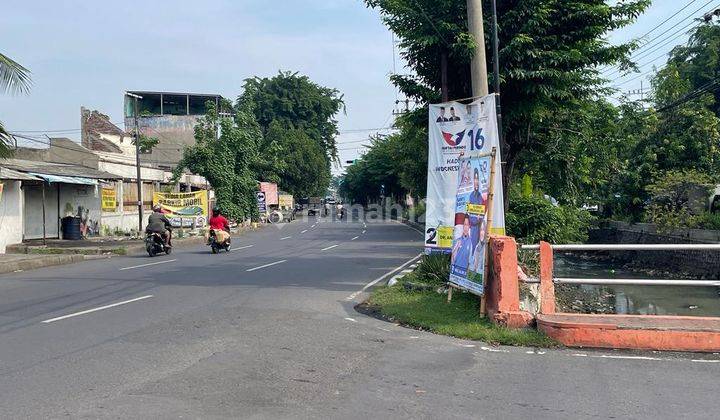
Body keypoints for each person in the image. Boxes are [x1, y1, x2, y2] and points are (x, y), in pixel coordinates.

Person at [468, 167, 486, 255]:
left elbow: (481, 212)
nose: (476, 181)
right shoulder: (471, 195)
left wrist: (479, 218)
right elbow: (469, 210)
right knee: (472, 246)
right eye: (475, 179)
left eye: (477, 179)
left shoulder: (480, 196)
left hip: (479, 226)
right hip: (472, 226)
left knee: (478, 247)